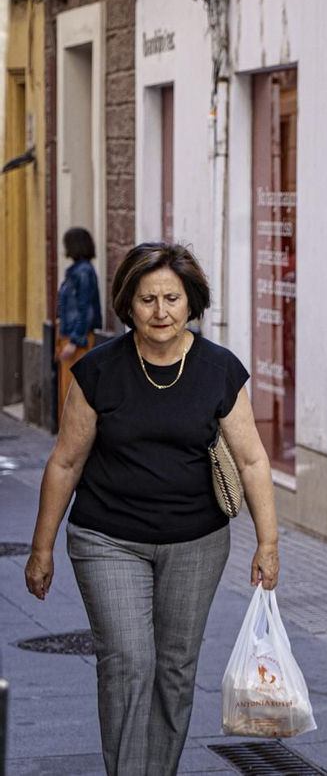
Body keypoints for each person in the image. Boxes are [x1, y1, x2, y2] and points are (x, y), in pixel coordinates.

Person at [23, 242, 280, 776]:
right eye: (147, 299)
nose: (160, 311)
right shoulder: (98, 373)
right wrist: (41, 548)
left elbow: (253, 460)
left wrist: (268, 541)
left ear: (191, 304)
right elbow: (65, 463)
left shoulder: (218, 371)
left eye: (172, 298)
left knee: (175, 668)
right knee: (128, 662)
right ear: (127, 305)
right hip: (107, 538)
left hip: (197, 542)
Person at [56, 226, 103, 418]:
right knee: (66, 394)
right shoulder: (76, 271)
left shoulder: (83, 272)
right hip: (69, 337)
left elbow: (86, 309)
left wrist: (75, 341)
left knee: (73, 394)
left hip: (77, 341)